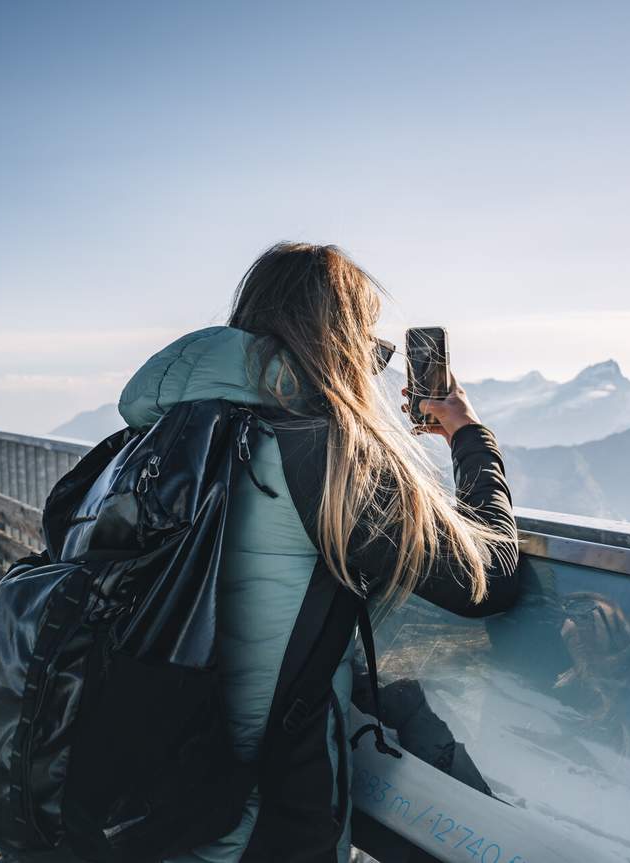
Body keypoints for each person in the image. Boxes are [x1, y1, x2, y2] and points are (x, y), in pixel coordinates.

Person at [116, 242, 521, 863]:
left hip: (145, 773)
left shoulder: (153, 434)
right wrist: (470, 438)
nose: (376, 364)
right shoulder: (325, 451)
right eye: (371, 346)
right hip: (261, 809)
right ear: (339, 343)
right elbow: (485, 580)